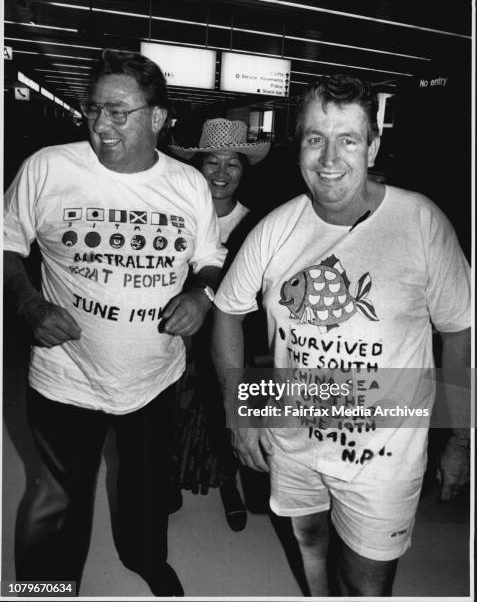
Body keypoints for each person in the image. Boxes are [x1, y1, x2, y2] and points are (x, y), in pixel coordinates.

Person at [211, 75, 470, 596]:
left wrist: (460, 438)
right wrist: (243, 416)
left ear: (372, 147)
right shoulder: (274, 228)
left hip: (384, 455)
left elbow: (459, 333)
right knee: (309, 542)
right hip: (293, 442)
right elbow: (226, 314)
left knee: (368, 584)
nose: (330, 158)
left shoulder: (421, 222)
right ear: (298, 146)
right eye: (315, 139)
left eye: (348, 139)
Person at [3, 48, 226, 596]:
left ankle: (145, 557)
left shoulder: (188, 185)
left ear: (156, 118)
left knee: (146, 486)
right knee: (57, 494)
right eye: (93, 109)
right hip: (65, 374)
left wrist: (201, 295)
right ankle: (45, 591)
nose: (101, 124)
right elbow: (6, 246)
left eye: (118, 112)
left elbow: (211, 259)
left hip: (154, 376)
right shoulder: (49, 168)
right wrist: (31, 305)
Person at [169, 118, 270, 530]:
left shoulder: (257, 224)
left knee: (225, 410)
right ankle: (169, 480)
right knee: (173, 411)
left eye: (233, 164)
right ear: (197, 165)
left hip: (231, 337)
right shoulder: (175, 214)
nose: (222, 174)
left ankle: (227, 484)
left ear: (245, 170)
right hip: (179, 332)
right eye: (212, 162)